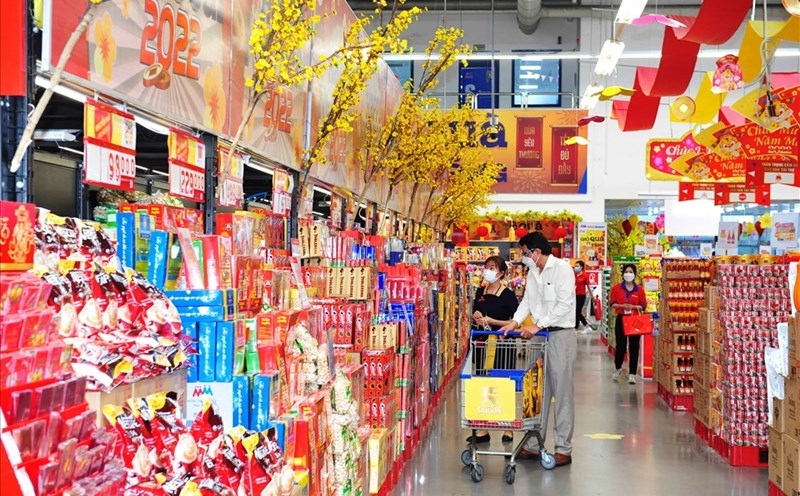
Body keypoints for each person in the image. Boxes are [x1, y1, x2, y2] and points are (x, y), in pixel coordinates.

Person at [499, 232, 576, 467]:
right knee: (536, 391)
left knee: (561, 392)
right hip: (538, 337)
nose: (523, 257)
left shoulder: (562, 269)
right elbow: (527, 302)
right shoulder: (532, 272)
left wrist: (538, 324)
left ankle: (563, 448)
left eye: (524, 252)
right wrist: (514, 322)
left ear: (537, 252)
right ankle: (533, 444)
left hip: (560, 335)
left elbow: (565, 304)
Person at [468, 255, 518, 444]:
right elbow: (476, 313)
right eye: (487, 266)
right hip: (482, 343)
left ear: (502, 273)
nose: (488, 270)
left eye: (493, 267)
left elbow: (515, 321)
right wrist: (476, 316)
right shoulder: (480, 291)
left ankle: (508, 428)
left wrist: (493, 321)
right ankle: (483, 428)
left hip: (503, 344)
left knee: (503, 383)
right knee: (483, 383)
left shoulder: (508, 295)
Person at [609, 263, 648, 385]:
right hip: (621, 319)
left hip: (634, 320)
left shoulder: (639, 289)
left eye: (631, 272)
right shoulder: (616, 288)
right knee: (620, 345)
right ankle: (618, 368)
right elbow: (612, 304)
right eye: (626, 271)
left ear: (634, 274)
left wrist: (634, 307)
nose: (628, 274)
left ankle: (632, 374)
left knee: (634, 346)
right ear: (623, 274)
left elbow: (643, 305)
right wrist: (622, 306)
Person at [573, 260, 594, 331]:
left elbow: (588, 286)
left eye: (577, 266)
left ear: (581, 267)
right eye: (575, 266)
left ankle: (576, 326)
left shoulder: (585, 275)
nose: (575, 267)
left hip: (581, 295)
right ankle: (585, 324)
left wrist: (592, 296)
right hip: (574, 295)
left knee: (577, 311)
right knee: (576, 311)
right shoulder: (573, 274)